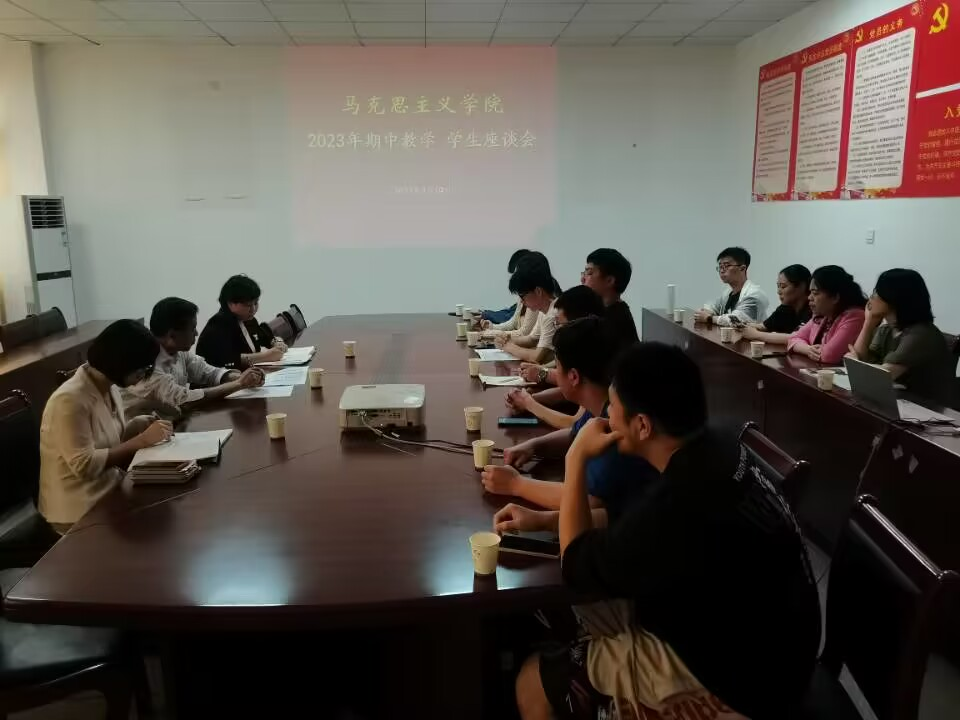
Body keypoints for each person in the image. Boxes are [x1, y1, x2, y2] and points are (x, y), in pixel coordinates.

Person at [499, 342, 820, 720]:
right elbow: (626, 526)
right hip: (774, 643)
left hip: (743, 683)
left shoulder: (679, 503)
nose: (606, 415)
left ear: (642, 425)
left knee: (533, 681)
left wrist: (576, 458)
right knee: (570, 614)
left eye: (612, 407)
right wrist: (542, 520)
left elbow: (576, 567)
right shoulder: (715, 445)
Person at [483, 318, 656, 523]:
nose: (554, 374)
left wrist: (516, 484)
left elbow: (589, 502)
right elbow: (577, 433)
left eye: (557, 367)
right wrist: (534, 446)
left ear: (573, 376)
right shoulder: (600, 404)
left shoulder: (618, 425)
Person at [39, 320, 175, 532]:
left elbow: (107, 443)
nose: (144, 374)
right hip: (77, 509)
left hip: (108, 490)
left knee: (166, 510)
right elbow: (84, 465)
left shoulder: (109, 386)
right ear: (121, 361)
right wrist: (142, 440)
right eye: (142, 367)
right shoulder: (69, 400)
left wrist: (135, 426)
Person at [122, 297, 266, 417]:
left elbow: (207, 372)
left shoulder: (178, 352)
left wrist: (240, 377)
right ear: (172, 335)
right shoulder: (146, 365)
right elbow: (184, 401)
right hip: (140, 437)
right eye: (192, 328)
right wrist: (239, 384)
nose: (196, 333)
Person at [847, 269, 954, 405]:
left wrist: (855, 362)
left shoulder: (922, 334)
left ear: (894, 298)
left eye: (877, 291)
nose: (871, 297)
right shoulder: (886, 330)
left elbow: (881, 376)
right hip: (895, 401)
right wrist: (868, 323)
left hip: (926, 409)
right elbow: (863, 361)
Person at [513, 285, 605, 392]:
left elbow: (575, 385)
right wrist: (542, 369)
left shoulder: (596, 352)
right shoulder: (584, 339)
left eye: (560, 325)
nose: (557, 329)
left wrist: (542, 373)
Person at [197, 275, 286, 369]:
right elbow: (228, 360)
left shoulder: (248, 319)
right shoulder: (218, 325)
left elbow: (264, 337)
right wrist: (265, 356)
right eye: (248, 305)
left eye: (256, 303)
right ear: (231, 303)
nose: (253, 309)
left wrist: (277, 342)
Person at [788, 265, 866, 365]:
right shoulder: (822, 315)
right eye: (810, 292)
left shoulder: (855, 316)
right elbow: (793, 338)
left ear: (835, 297)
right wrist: (808, 349)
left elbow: (828, 355)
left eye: (815, 293)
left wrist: (811, 350)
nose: (809, 298)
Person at [496, 260, 561, 365]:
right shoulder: (543, 310)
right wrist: (507, 340)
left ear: (538, 291)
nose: (521, 301)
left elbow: (536, 357)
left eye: (522, 296)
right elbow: (531, 339)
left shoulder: (553, 314)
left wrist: (508, 346)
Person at [481, 252, 556, 337]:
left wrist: (493, 333)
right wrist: (492, 327)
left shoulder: (536, 301)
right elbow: (514, 323)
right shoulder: (530, 298)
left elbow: (525, 334)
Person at [581, 248, 639, 351]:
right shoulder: (601, 313)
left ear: (609, 281)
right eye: (584, 273)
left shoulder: (616, 323)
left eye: (589, 273)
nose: (582, 279)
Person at [694, 247, 769, 326]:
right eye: (720, 266)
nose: (722, 270)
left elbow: (736, 320)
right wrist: (705, 311)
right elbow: (714, 308)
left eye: (726, 266)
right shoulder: (728, 293)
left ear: (742, 268)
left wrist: (709, 318)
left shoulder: (754, 295)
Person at [742, 264, 812, 344]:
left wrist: (756, 335)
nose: (778, 292)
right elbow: (764, 327)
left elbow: (796, 337)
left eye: (783, 286)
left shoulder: (813, 310)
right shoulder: (785, 308)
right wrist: (741, 326)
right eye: (778, 286)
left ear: (802, 287)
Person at [480, 249, 530, 325]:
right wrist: (485, 315)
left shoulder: (533, 299)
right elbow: (510, 315)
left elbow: (510, 319)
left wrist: (485, 315)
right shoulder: (524, 296)